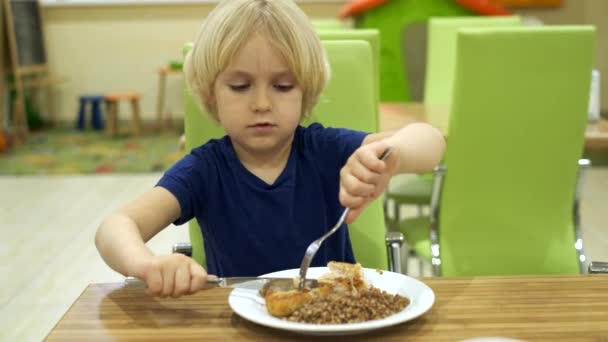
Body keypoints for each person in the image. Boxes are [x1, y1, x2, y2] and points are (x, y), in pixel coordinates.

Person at [95, 0, 445, 298]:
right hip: (240, 325)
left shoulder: (323, 149)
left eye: (281, 86)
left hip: (335, 320)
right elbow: (115, 226)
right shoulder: (205, 169)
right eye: (240, 85)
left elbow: (430, 140)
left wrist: (392, 154)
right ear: (211, 95)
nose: (262, 103)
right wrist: (148, 264)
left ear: (304, 94)